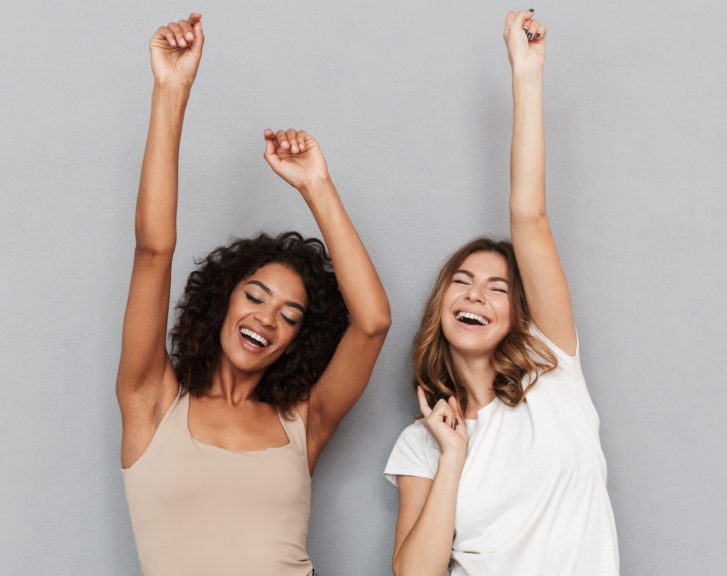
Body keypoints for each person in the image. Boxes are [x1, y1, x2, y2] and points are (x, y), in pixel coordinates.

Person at [117, 13, 390, 576]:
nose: (266, 319)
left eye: (289, 316)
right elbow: (153, 250)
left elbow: (373, 323)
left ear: (296, 341)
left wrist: (316, 184)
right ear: (223, 301)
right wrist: (172, 91)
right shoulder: (152, 402)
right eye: (256, 296)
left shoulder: (302, 422)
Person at [384, 11, 619, 576]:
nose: (475, 296)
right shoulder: (423, 442)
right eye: (462, 282)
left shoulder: (553, 369)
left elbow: (529, 217)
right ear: (441, 306)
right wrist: (453, 454)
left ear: (520, 315)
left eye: (497, 289)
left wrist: (526, 73)